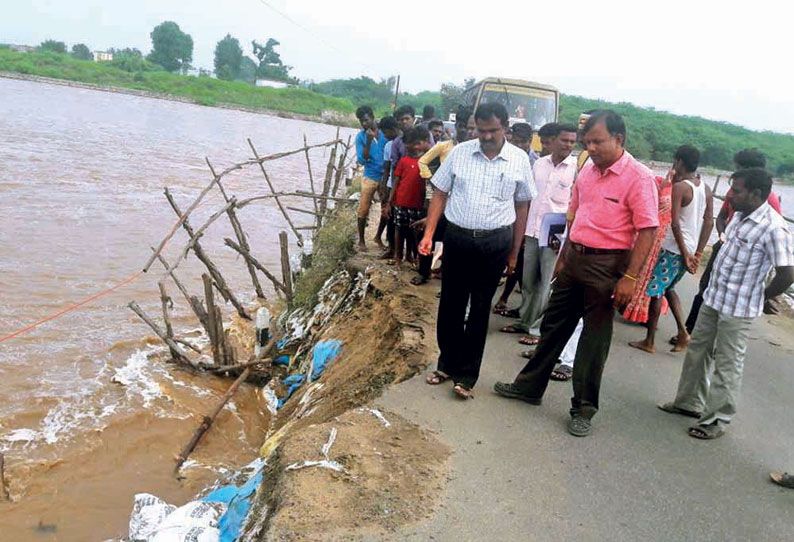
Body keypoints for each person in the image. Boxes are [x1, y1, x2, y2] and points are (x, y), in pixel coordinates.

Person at [494, 110, 660, 437]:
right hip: (575, 259)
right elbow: (575, 217)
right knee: (554, 326)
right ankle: (529, 387)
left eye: (597, 141)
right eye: (587, 142)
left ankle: (583, 408)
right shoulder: (586, 171)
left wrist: (629, 278)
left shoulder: (638, 178)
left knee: (593, 341)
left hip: (609, 266)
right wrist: (564, 258)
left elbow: (647, 230)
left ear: (619, 140)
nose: (591, 147)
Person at [659, 168, 794, 440]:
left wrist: (762, 296)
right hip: (714, 299)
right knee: (698, 351)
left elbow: (787, 273)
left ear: (757, 193)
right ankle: (688, 403)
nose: (730, 196)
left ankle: (716, 420)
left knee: (727, 363)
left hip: (739, 308)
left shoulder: (774, 227)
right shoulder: (740, 217)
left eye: (737, 191)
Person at [419, 102, 536, 399]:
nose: (484, 136)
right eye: (480, 130)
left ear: (505, 128)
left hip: (495, 242)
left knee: (481, 308)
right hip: (458, 239)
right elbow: (440, 192)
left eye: (491, 131)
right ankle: (446, 364)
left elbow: (523, 206)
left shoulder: (519, 159)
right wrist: (430, 234)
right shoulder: (460, 153)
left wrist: (514, 250)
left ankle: (467, 376)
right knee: (451, 304)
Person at [682, 149, 783, 334]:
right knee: (707, 286)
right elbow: (721, 217)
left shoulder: (770, 202)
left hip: (747, 258)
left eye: (740, 168)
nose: (737, 173)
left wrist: (763, 295)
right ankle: (690, 330)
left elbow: (774, 242)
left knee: (731, 300)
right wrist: (723, 235)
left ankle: (714, 337)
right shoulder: (735, 193)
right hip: (726, 245)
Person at [499, 124, 578, 347]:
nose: (568, 145)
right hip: (532, 226)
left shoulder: (574, 168)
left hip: (555, 229)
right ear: (553, 141)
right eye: (565, 140)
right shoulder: (538, 164)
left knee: (546, 281)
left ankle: (535, 329)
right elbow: (526, 197)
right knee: (528, 278)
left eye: (572, 142)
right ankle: (524, 319)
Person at [629, 145, 713, 353]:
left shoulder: (681, 188)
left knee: (655, 291)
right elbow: (708, 222)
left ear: (679, 162)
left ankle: (649, 341)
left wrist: (684, 253)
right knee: (668, 289)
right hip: (690, 247)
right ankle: (683, 333)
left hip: (673, 248)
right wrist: (697, 253)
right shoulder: (705, 188)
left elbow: (674, 223)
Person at [412, 107, 474, 286]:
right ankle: (424, 272)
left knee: (455, 245)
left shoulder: (479, 153)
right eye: (463, 126)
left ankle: (448, 280)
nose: (467, 131)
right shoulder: (446, 147)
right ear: (457, 126)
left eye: (471, 127)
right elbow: (422, 161)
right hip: (442, 199)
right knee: (426, 233)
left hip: (463, 208)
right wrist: (432, 180)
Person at [388, 126, 431, 268]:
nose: (408, 146)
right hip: (401, 202)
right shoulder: (403, 161)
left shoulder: (425, 162)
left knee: (415, 233)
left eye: (411, 143)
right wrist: (390, 201)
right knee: (399, 230)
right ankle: (398, 256)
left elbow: (428, 185)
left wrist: (427, 204)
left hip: (417, 203)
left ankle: (413, 257)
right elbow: (396, 181)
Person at [354, 105, 387, 250]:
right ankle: (361, 240)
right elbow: (362, 159)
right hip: (370, 175)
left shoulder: (385, 133)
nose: (364, 124)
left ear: (373, 117)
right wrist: (368, 141)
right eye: (362, 121)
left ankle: (378, 237)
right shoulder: (361, 137)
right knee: (363, 208)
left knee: (386, 208)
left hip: (385, 176)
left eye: (366, 120)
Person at [373, 116, 400, 251]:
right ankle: (383, 239)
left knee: (393, 215)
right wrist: (383, 186)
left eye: (385, 132)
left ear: (392, 129)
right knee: (387, 213)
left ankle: (390, 243)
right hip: (390, 184)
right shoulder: (389, 145)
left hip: (396, 184)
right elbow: (386, 168)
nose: (385, 135)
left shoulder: (401, 143)